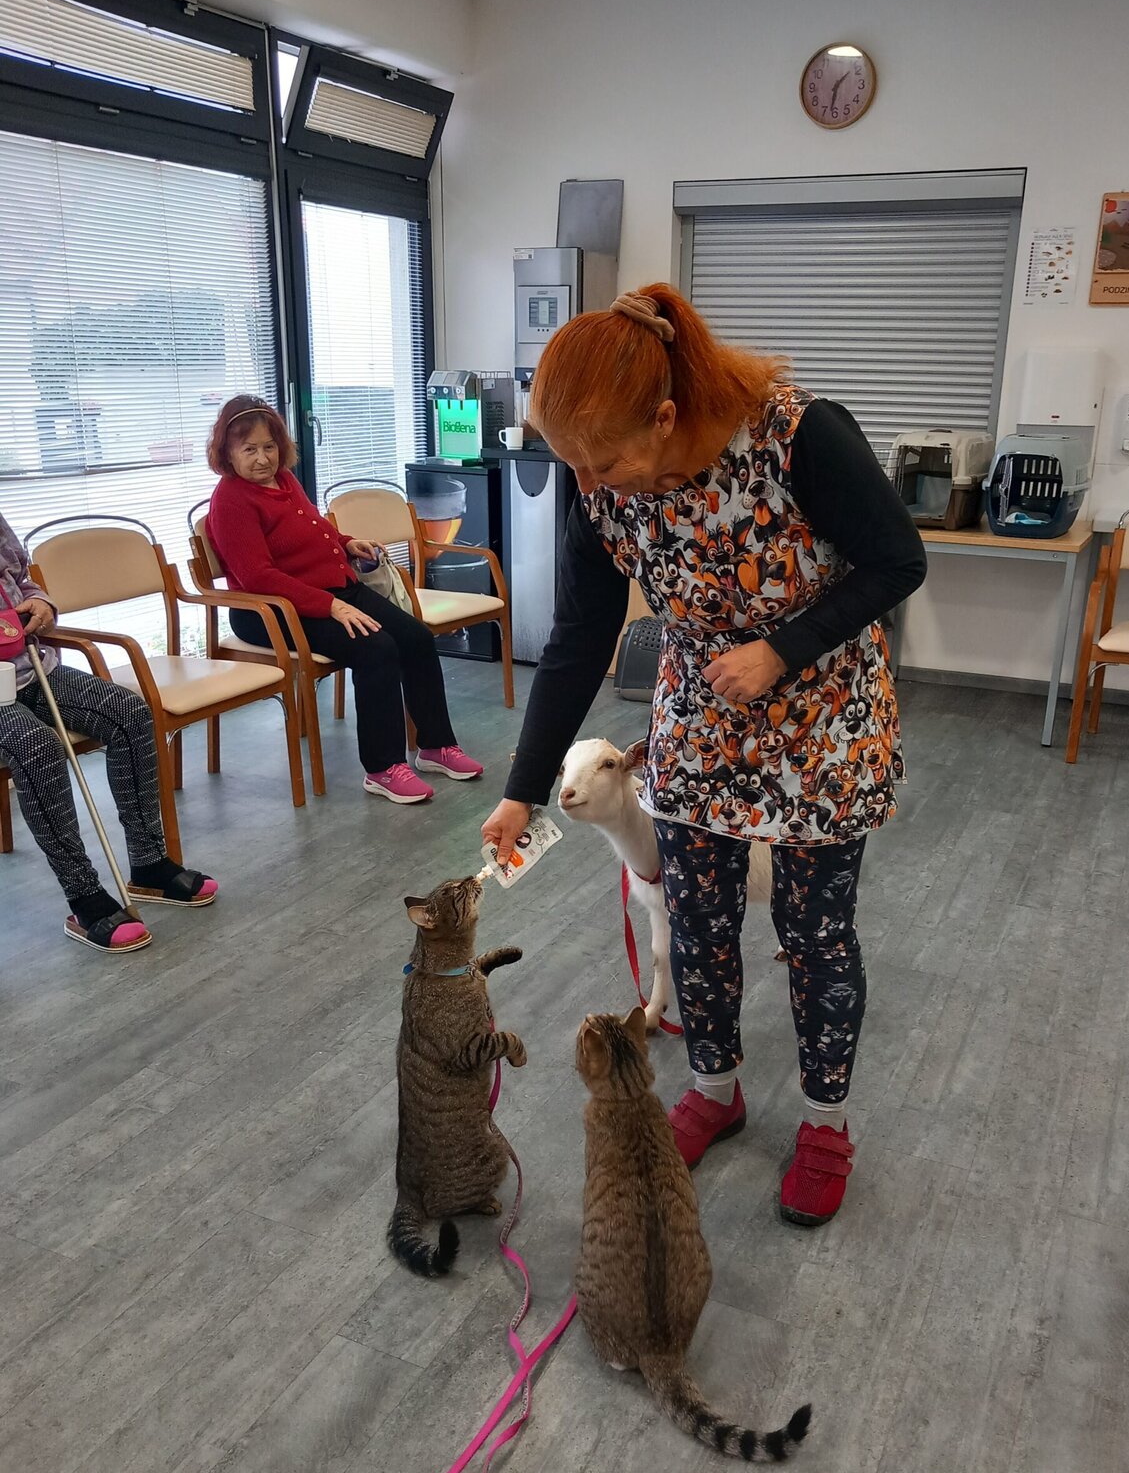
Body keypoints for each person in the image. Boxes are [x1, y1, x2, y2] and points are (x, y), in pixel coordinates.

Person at [482, 285, 927, 1227]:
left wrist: (782, 650)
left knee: (814, 938)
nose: (590, 486)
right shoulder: (600, 483)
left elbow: (899, 560)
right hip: (699, 722)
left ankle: (824, 1123)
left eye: (604, 461)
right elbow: (578, 639)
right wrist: (523, 791)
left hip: (824, 723)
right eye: (573, 465)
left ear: (665, 416)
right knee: (695, 923)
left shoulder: (796, 436)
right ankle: (716, 1089)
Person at [206, 396, 483, 805]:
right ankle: (383, 768)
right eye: (249, 449)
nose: (262, 458)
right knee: (377, 649)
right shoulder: (231, 501)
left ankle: (435, 746)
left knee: (417, 638)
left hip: (333, 591)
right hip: (271, 610)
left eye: (268, 446)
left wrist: (347, 543)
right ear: (227, 453)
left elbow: (312, 531)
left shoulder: (285, 481)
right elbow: (258, 576)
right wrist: (330, 606)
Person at [0, 512, 217, 954]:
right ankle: (84, 897)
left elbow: (22, 580)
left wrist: (41, 603)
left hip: (30, 667)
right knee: (38, 747)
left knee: (128, 712)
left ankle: (149, 864)